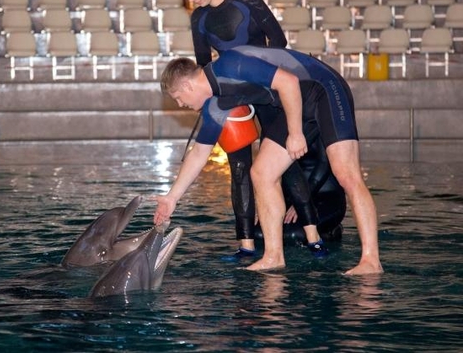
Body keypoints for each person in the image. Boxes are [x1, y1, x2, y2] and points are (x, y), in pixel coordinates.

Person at [154, 52, 383, 275]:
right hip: (294, 103)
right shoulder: (215, 105)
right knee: (262, 173)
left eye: (178, 98)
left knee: (346, 175)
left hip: (324, 88)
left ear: (186, 86)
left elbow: (288, 81)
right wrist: (171, 198)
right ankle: (273, 257)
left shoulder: (230, 64)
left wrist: (295, 134)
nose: (181, 104)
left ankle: (371, 260)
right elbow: (199, 153)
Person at [177, 0, 328, 259]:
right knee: (240, 168)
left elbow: (279, 41)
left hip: (268, 87)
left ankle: (313, 235)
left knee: (287, 160)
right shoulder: (199, 19)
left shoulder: (246, 0)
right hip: (233, 95)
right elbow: (205, 65)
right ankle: (246, 244)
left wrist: (253, 71)